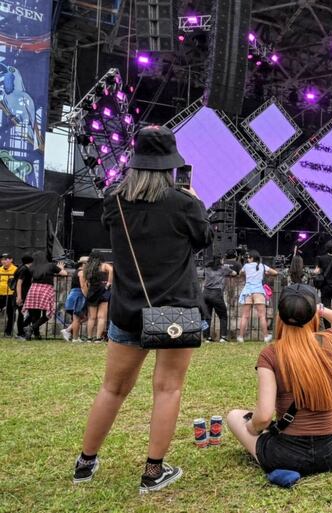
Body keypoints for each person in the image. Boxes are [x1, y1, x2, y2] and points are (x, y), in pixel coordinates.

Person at [74, 125, 212, 493]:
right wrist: (195, 200)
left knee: (113, 389)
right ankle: (153, 473)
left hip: (127, 308)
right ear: (170, 165)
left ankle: (85, 463)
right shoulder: (184, 204)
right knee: (167, 390)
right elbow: (205, 239)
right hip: (177, 311)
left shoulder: (114, 200)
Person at [226, 284, 332, 475]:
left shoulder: (270, 354)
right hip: (331, 454)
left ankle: (282, 468)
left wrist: (252, 428)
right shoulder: (328, 341)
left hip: (286, 456)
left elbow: (263, 417)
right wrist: (321, 309)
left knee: (234, 416)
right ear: (313, 314)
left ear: (281, 315)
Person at [21, 251, 68, 340]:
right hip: (45, 290)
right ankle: (32, 329)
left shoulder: (32, 267)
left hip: (33, 290)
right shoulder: (50, 265)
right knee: (48, 313)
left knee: (35, 314)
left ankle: (35, 334)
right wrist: (60, 268)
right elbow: (65, 273)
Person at [238, 251, 279, 343]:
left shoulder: (246, 266)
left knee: (244, 316)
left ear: (252, 258)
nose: (247, 259)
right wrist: (266, 274)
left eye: (249, 257)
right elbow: (275, 272)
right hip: (259, 292)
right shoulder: (263, 266)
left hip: (247, 291)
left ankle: (240, 337)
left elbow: (240, 273)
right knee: (262, 316)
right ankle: (266, 336)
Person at [81, 251, 113, 343]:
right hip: (103, 290)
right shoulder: (104, 265)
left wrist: (87, 294)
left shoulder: (87, 267)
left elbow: (84, 283)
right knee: (101, 317)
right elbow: (111, 270)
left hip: (92, 291)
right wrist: (109, 283)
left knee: (91, 317)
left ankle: (89, 337)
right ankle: (98, 338)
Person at [203, 256, 237, 342]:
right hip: (216, 293)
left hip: (205, 293)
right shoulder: (223, 268)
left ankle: (206, 337)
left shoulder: (207, 268)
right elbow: (234, 273)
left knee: (207, 316)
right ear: (220, 261)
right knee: (223, 316)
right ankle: (223, 337)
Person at [314, 240, 332, 329]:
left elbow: (316, 271)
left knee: (326, 308)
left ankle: (328, 329)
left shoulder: (321, 258)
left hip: (325, 286)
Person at [61, 257, 89, 342]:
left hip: (74, 294)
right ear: (83, 264)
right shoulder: (81, 272)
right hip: (78, 295)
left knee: (83, 318)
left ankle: (68, 331)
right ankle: (75, 338)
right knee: (77, 318)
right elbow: (83, 286)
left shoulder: (77, 272)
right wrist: (87, 296)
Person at [11, 254, 33, 339]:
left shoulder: (21, 268)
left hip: (21, 294)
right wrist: (19, 296)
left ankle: (22, 330)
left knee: (22, 314)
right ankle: (21, 332)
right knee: (22, 314)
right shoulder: (24, 269)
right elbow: (19, 283)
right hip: (21, 294)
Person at [1, 253, 17, 337]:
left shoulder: (15, 269)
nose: (3, 261)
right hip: (0, 294)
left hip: (10, 295)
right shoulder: (0, 269)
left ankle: (8, 331)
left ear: (11, 260)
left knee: (11, 314)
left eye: (6, 259)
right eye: (2, 259)